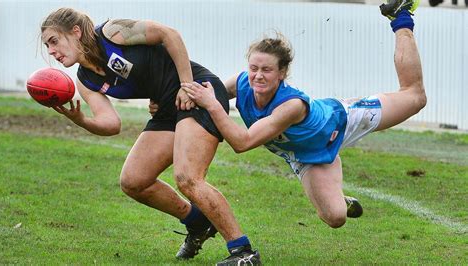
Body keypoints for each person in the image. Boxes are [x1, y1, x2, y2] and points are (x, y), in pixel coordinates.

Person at [178, 0, 426, 230]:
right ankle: (338, 192)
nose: (258, 76)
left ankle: (401, 17)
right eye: (253, 68)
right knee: (335, 218)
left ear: (282, 73)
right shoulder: (242, 82)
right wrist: (178, 99)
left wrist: (211, 104)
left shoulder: (291, 105)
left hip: (341, 120)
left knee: (415, 98)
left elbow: (242, 142)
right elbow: (209, 92)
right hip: (303, 155)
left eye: (267, 70)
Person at [40, 7, 261, 265]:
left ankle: (243, 252)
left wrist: (186, 86)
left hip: (198, 92)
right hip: (166, 108)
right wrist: (81, 120)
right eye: (47, 46)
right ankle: (198, 223)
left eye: (54, 41)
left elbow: (170, 35)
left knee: (187, 177)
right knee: (133, 181)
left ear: (75, 32)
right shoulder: (85, 80)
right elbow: (111, 124)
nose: (51, 51)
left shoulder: (113, 33)